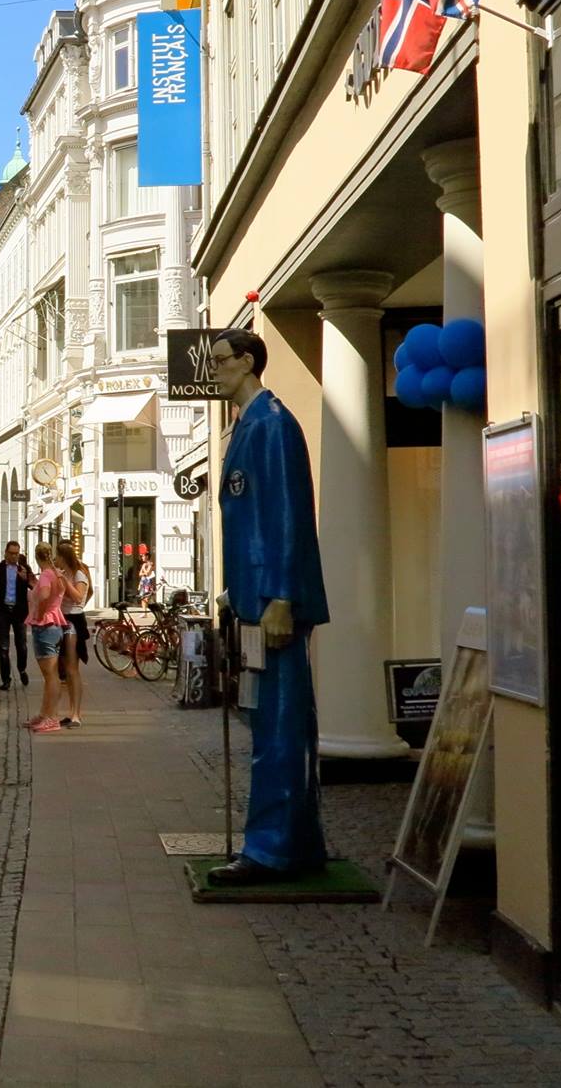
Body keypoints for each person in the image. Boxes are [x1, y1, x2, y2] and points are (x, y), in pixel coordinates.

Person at [207, 328, 331, 885]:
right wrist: (236, 590)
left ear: (248, 361)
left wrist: (282, 595)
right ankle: (296, 841)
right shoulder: (247, 425)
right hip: (255, 599)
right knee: (272, 721)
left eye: (221, 360)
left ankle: (270, 850)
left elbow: (288, 514)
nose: (214, 371)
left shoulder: (273, 425)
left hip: (274, 603)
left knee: (279, 728)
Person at [25, 544, 73, 734]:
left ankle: (51, 717)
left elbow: (45, 595)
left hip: (45, 625)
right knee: (51, 676)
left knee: (50, 676)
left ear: (37, 557)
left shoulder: (46, 575)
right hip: (55, 625)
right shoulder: (56, 574)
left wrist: (40, 613)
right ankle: (44, 714)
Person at [55, 541, 93, 728]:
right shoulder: (65, 573)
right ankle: (71, 712)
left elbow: (78, 597)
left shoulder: (79, 574)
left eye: (57, 556)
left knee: (72, 669)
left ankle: (76, 714)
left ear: (64, 557)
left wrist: (63, 581)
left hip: (74, 621)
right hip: (62, 619)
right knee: (65, 670)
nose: (56, 560)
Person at [0, 542, 33, 692]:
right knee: (3, 647)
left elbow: (34, 586)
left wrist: (26, 578)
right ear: (6, 553)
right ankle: (6, 679)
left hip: (19, 612)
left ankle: (22, 669)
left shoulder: (24, 568)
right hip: (3, 611)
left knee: (21, 645)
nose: (15, 556)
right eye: (12, 553)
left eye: (17, 553)